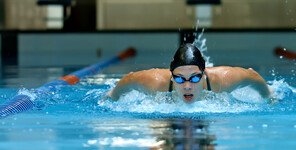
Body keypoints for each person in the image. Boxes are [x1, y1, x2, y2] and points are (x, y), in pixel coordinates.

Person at [106, 43, 271, 104]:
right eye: (179, 78)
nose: (187, 86)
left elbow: (252, 76)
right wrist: (112, 95)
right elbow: (129, 79)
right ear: (171, 75)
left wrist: (269, 96)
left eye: (194, 78)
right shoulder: (155, 82)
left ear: (204, 73)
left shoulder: (223, 80)